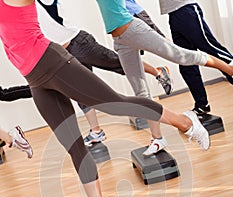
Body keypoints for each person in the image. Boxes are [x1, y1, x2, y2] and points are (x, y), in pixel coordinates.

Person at [0, 0, 209, 197]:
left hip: (54, 63)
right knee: (72, 144)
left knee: (116, 104)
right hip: (35, 79)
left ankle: (187, 122)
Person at [95, 0, 233, 156]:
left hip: (134, 29)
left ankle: (228, 68)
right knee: (141, 93)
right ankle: (157, 138)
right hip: (120, 40)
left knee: (181, 56)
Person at [36, 0, 172, 148]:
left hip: (79, 44)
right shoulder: (24, 9)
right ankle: (96, 131)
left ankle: (158, 71)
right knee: (80, 91)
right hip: (63, 52)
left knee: (117, 63)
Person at [159, 0, 233, 115]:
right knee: (185, 61)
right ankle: (202, 104)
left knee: (212, 49)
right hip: (173, 14)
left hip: (185, 9)